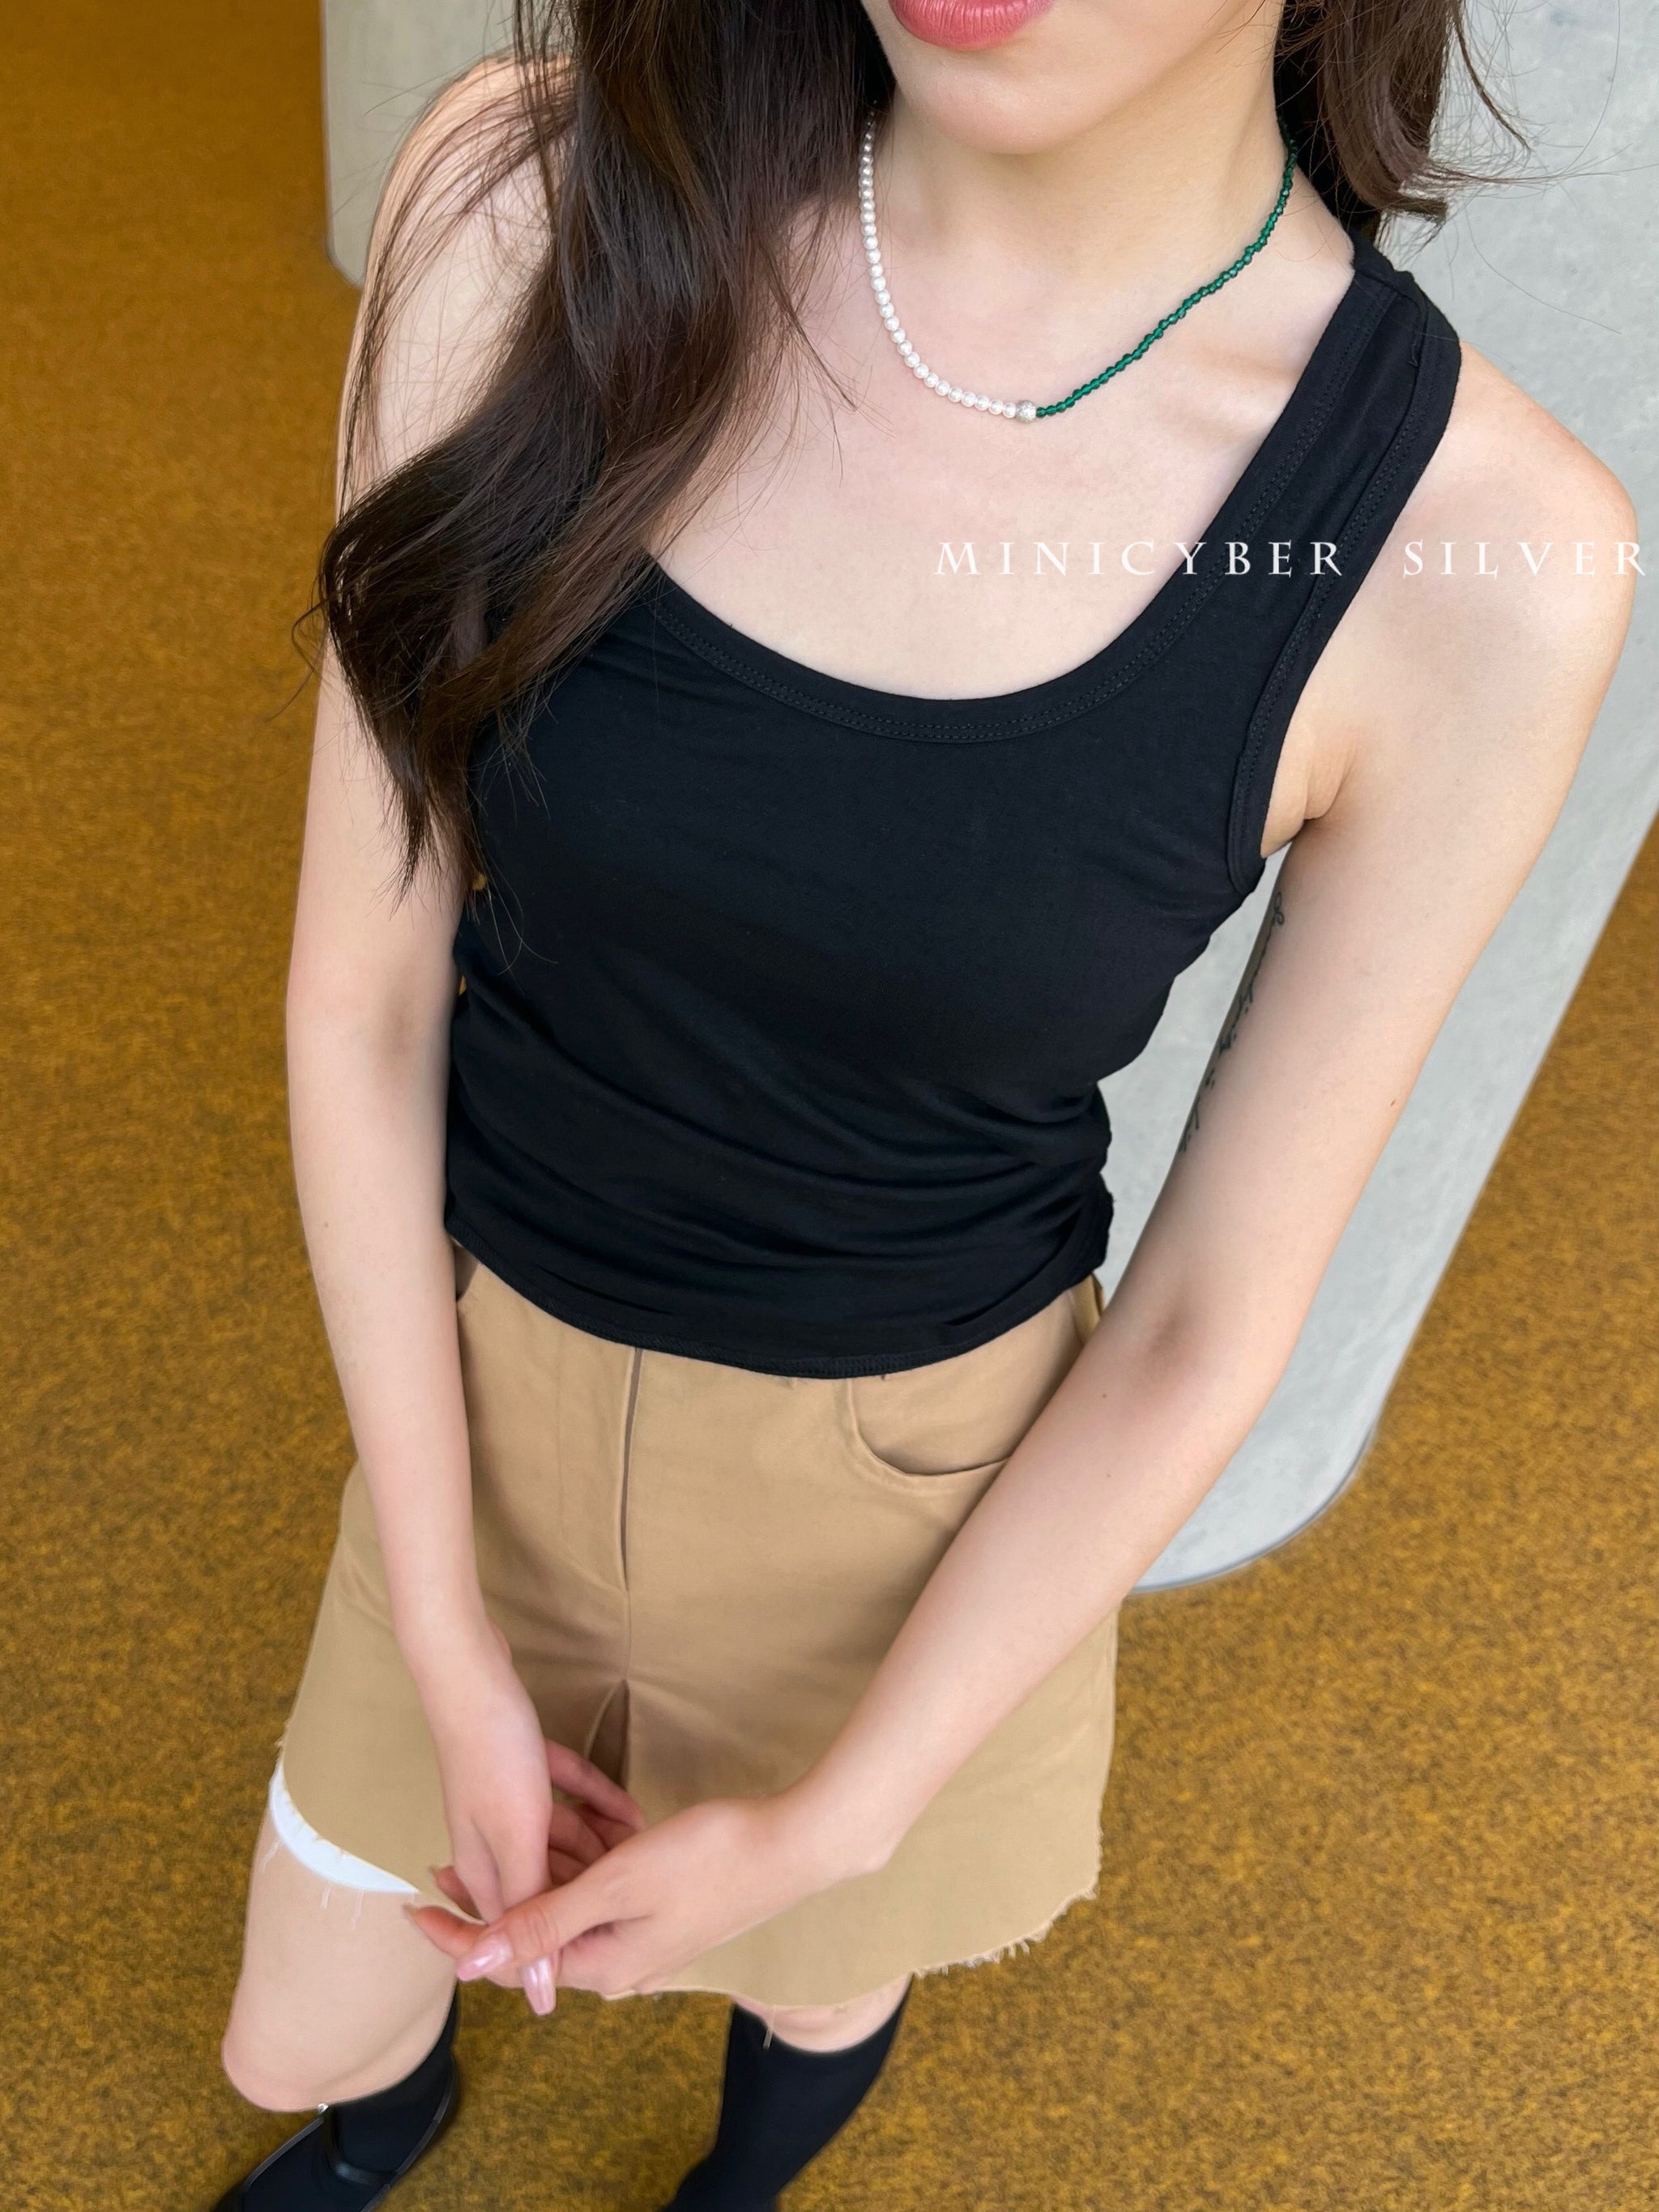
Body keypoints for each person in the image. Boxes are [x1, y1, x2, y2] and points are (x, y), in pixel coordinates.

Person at [209, 1, 1636, 2206]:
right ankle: (392, 2112)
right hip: (480, 1390)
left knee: (815, 1969)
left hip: (914, 1495)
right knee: (295, 2029)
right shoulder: (524, 206)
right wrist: (436, 1605)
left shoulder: (1486, 555)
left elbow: (1206, 1315)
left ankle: (743, 2172)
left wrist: (846, 1812)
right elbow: (359, 995)